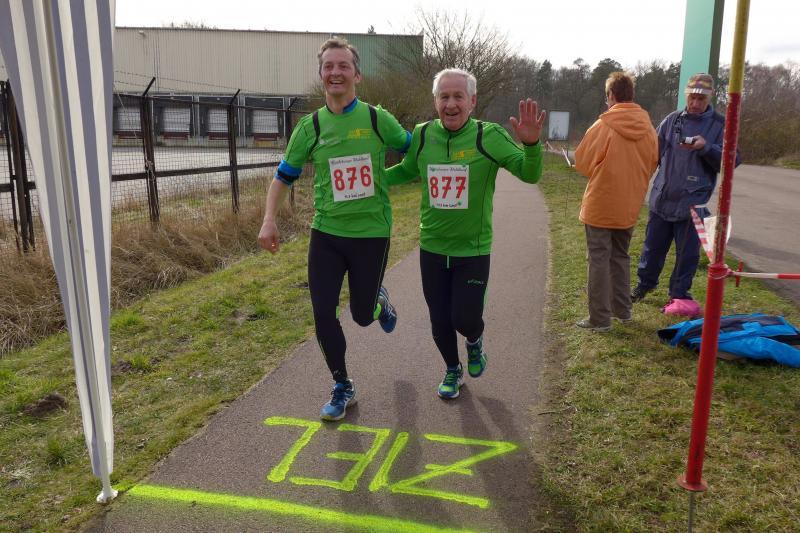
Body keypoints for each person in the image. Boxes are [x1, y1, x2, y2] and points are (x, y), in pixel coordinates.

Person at [258, 37, 411, 421]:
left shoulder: (377, 119)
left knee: (362, 315)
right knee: (323, 313)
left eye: (343, 65)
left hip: (371, 233)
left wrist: (391, 177)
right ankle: (343, 385)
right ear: (321, 75)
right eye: (329, 66)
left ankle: (379, 302)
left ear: (357, 75)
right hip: (326, 233)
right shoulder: (309, 127)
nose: (336, 72)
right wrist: (269, 219)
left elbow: (415, 149)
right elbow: (283, 177)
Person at [387, 68, 545, 399]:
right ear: (435, 101)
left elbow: (529, 173)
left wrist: (531, 145)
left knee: (464, 318)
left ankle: (474, 340)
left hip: (472, 250)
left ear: (472, 101)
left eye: (458, 96)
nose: (451, 104)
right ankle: (452, 369)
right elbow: (407, 170)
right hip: (432, 247)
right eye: (444, 96)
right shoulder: (423, 134)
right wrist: (374, 180)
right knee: (439, 320)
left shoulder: (489, 136)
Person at [632, 73, 740, 315]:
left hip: (693, 203)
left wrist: (706, 148)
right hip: (662, 199)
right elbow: (652, 153)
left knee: (687, 255)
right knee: (652, 248)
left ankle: (679, 295)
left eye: (701, 98)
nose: (695, 102)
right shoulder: (672, 120)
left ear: (710, 97)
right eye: (692, 97)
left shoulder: (720, 125)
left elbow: (733, 160)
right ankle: (644, 285)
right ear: (686, 95)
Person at [574, 72, 658, 332]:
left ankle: (599, 318)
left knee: (598, 259)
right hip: (629, 204)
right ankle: (622, 310)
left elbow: (582, 162)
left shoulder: (604, 125)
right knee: (620, 256)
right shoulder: (649, 128)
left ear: (611, 95)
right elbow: (652, 163)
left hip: (601, 203)